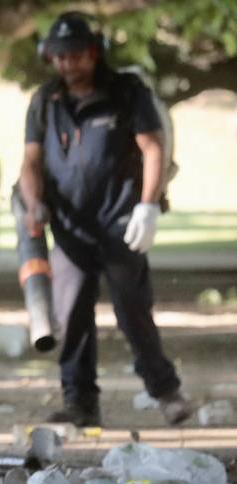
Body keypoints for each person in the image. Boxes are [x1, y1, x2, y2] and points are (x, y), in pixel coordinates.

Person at [18, 12, 191, 427]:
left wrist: (148, 206)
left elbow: (153, 147)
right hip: (70, 228)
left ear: (94, 54)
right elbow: (30, 161)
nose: (68, 65)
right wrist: (33, 203)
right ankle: (80, 403)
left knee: (132, 311)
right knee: (72, 312)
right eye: (59, 57)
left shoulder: (127, 92)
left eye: (76, 56)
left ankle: (165, 391)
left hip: (120, 221)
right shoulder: (46, 101)